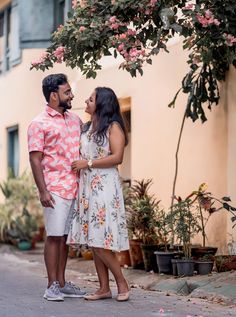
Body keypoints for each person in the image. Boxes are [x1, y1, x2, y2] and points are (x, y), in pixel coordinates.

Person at [67, 87, 130, 301]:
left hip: (104, 187)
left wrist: (89, 163)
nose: (86, 100)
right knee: (93, 239)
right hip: (87, 188)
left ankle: (121, 282)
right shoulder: (86, 128)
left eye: (91, 99)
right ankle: (104, 288)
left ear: (101, 104)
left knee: (99, 241)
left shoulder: (113, 127)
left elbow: (118, 157)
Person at [27, 73, 86, 301]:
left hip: (75, 187)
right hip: (54, 189)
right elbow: (35, 159)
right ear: (54, 96)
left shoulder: (74, 120)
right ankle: (51, 286)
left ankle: (62, 283)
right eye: (67, 92)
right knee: (53, 236)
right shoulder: (38, 123)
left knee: (64, 238)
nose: (71, 95)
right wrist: (42, 191)